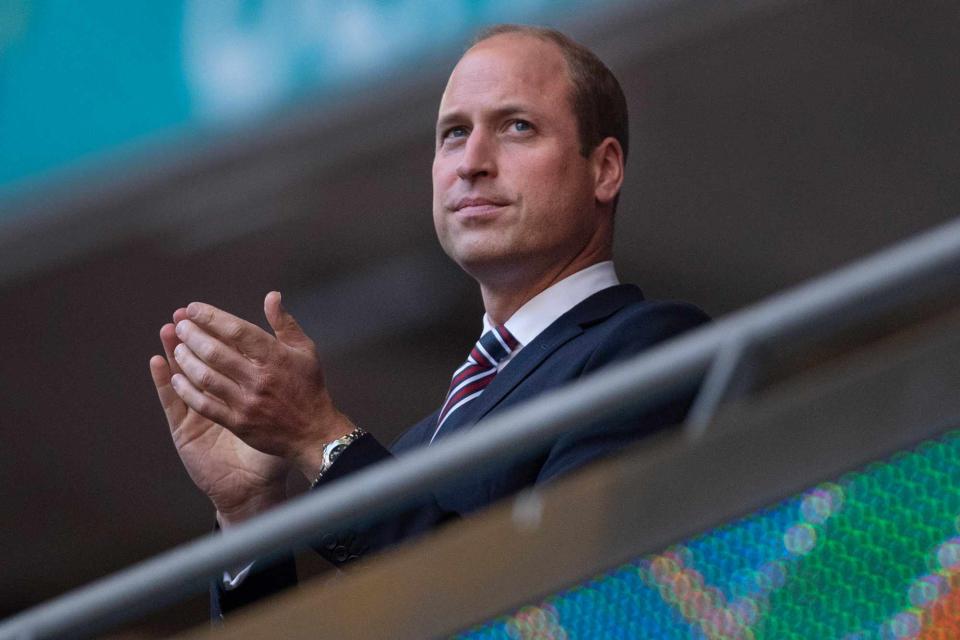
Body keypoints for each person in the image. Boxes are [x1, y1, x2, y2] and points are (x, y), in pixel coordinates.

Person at [149, 24, 708, 616]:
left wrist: (319, 439)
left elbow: (559, 607)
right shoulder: (415, 447)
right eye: (453, 134)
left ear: (604, 169)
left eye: (517, 126)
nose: (472, 162)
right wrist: (249, 516)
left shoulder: (650, 346)